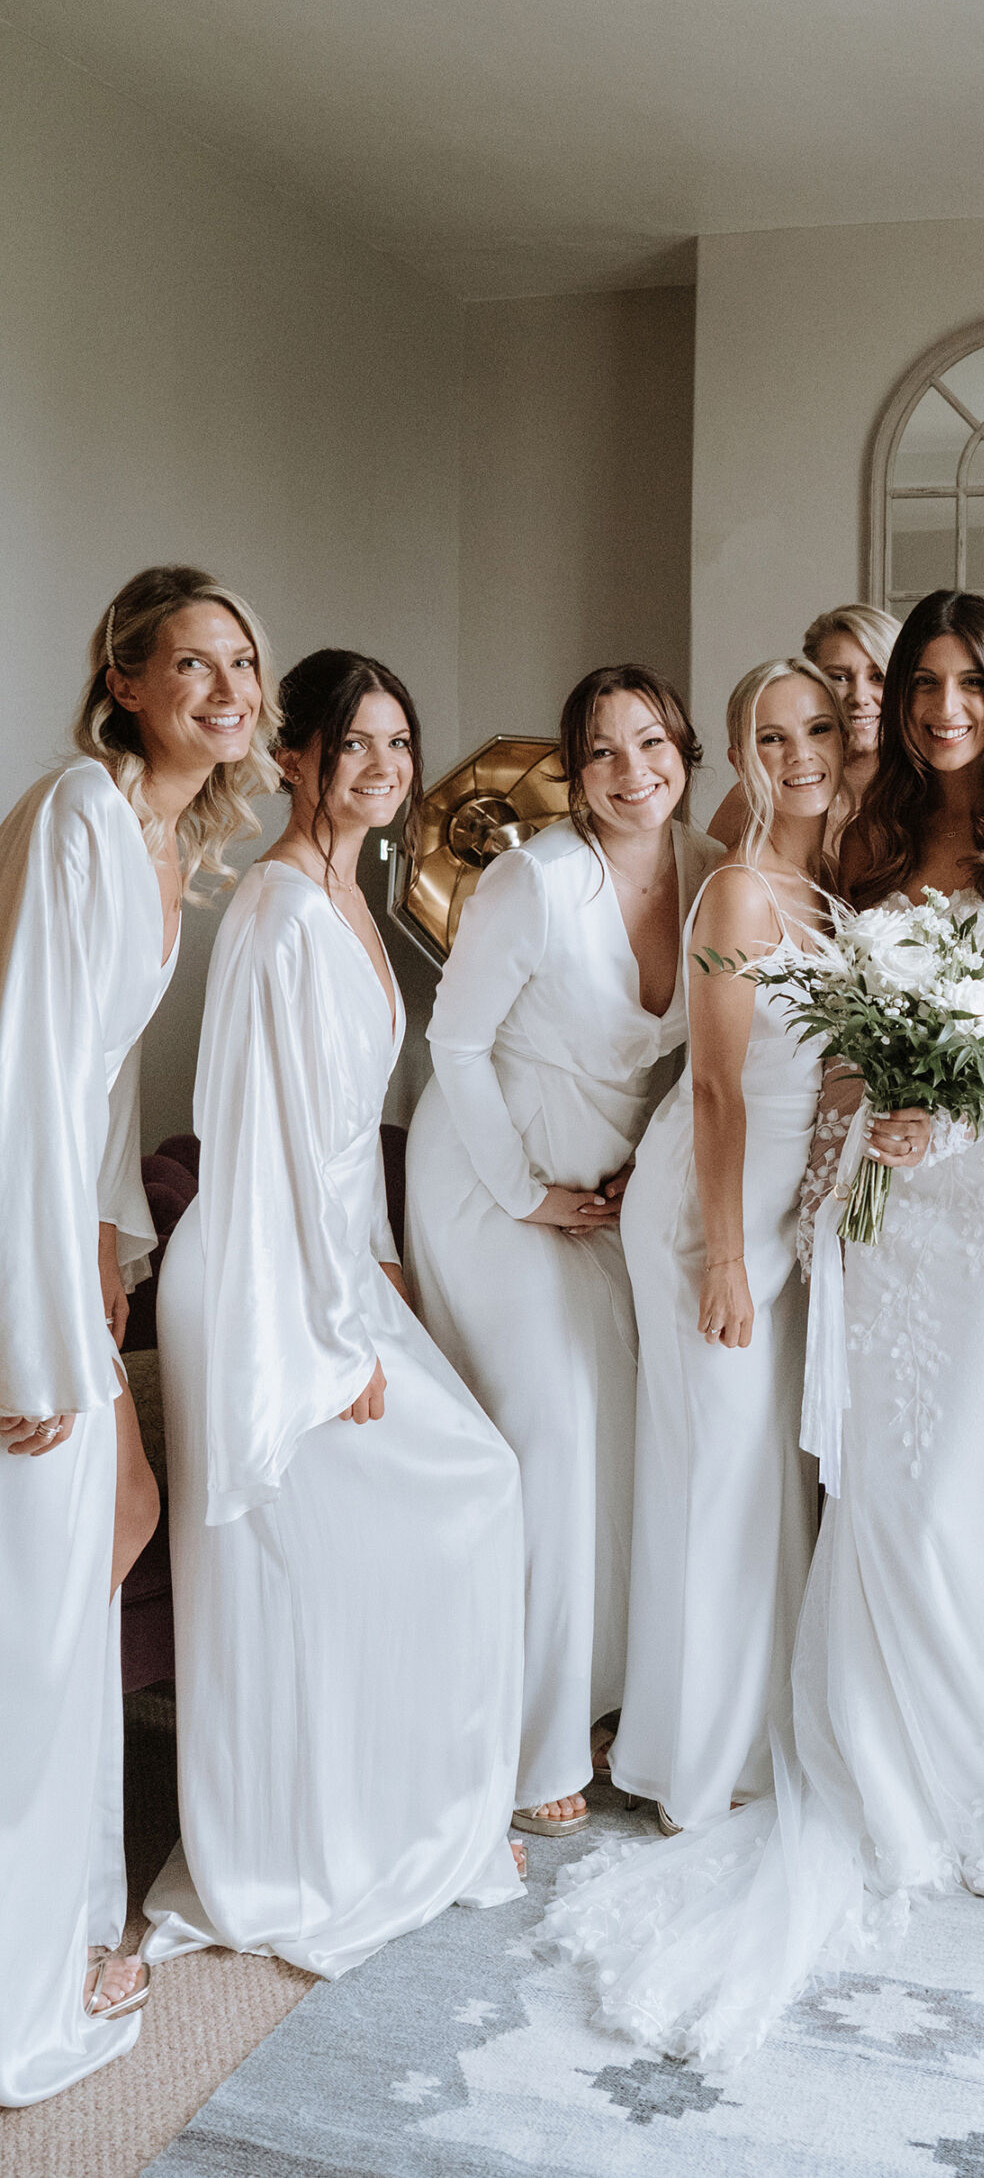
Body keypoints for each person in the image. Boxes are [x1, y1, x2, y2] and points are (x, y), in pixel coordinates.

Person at [545, 590, 984, 2063]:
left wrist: (950, 1112)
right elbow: (798, 1046)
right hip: (878, 1209)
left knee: (966, 1488)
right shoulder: (860, 838)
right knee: (877, 1488)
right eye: (918, 684)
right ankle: (857, 1759)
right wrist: (866, 1136)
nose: (939, 708)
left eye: (965, 683)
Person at [143, 651, 526, 1980]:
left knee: (443, 1506)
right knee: (443, 1502)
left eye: (398, 744)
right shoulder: (275, 909)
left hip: (328, 1263)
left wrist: (376, 1264)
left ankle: (392, 1808)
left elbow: (342, 1142)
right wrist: (328, 1335)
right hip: (261, 1284)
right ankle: (313, 1844)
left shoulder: (349, 894)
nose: (379, 768)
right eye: (352, 744)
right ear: (295, 756)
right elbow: (257, 1144)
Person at [0, 565, 273, 2101]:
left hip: (60, 1249)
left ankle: (56, 1920)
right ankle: (25, 1968)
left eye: (242, 662)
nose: (228, 689)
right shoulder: (79, 816)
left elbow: (101, 1097)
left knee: (106, 1542)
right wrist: (39, 1340)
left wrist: (114, 1261)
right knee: (39, 1609)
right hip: (3, 1260)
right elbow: (24, 1078)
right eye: (193, 663)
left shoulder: (168, 835)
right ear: (124, 681)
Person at [408, 665, 719, 1838]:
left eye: (651, 744)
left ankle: (603, 1703)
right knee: (553, 1423)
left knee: (631, 1423)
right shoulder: (534, 881)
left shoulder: (708, 881)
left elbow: (698, 1053)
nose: (630, 772)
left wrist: (656, 1157)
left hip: (607, 1189)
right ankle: (528, 1740)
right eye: (600, 751)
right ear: (573, 772)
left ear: (685, 751)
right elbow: (456, 1040)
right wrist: (522, 1190)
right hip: (493, 1179)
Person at [606, 659, 843, 1834]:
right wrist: (728, 1261)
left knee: (752, 1476)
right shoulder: (742, 892)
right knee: (714, 1474)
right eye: (771, 733)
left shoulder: (824, 883)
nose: (799, 753)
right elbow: (713, 1086)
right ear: (742, 751)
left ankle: (748, 1728)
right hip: (709, 1209)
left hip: (777, 1211)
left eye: (819, 730)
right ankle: (687, 1764)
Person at [706, 605, 898, 860]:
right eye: (839, 677)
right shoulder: (750, 803)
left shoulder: (931, 796)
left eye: (879, 677)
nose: (860, 697)